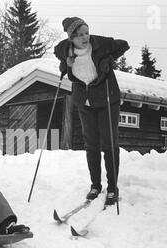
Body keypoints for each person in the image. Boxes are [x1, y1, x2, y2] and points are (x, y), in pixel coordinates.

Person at [54, 17, 129, 206]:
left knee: (109, 143)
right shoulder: (64, 49)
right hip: (84, 101)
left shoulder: (101, 44)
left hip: (106, 99)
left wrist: (109, 59)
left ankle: (112, 187)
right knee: (91, 144)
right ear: (71, 37)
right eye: (79, 35)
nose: (84, 37)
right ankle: (96, 185)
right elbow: (59, 55)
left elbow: (124, 45)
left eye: (86, 32)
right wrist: (65, 65)